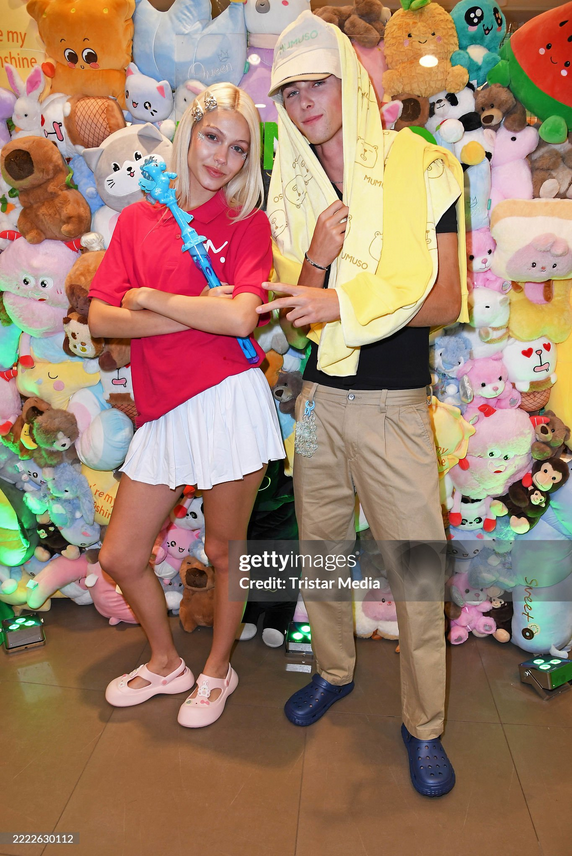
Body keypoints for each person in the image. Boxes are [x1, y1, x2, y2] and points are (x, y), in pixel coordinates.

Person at [257, 11, 467, 796]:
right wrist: (315, 259)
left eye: (317, 83)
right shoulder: (293, 191)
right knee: (320, 551)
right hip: (318, 403)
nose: (305, 101)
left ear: (349, 79)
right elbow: (293, 318)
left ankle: (425, 727)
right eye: (290, 91)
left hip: (394, 407)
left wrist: (344, 303)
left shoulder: (422, 165)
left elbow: (444, 300)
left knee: (418, 575)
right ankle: (333, 671)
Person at [88, 83, 285, 728]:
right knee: (120, 556)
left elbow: (241, 320)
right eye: (212, 138)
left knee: (225, 552)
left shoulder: (247, 223)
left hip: (230, 400)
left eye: (238, 148)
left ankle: (218, 670)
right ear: (187, 136)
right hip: (163, 407)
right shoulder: (137, 221)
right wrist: (200, 312)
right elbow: (100, 318)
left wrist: (150, 299)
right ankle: (167, 662)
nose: (221, 158)